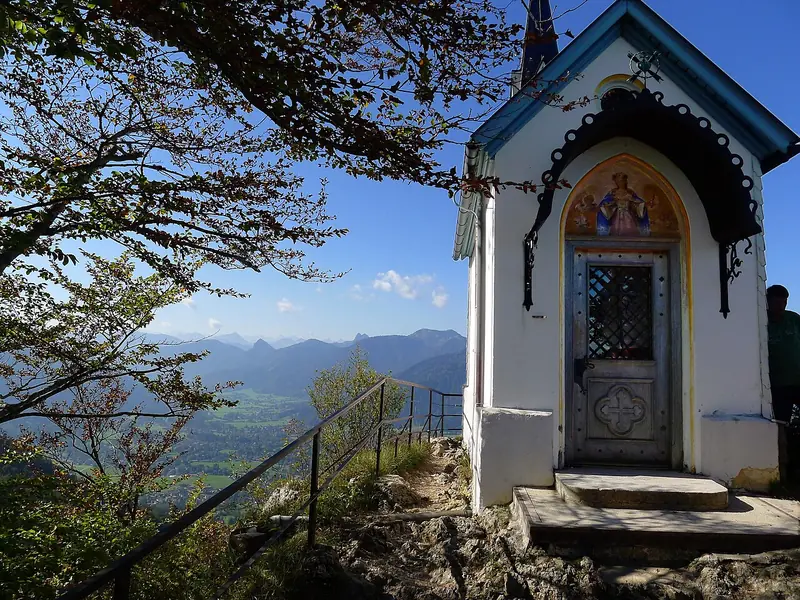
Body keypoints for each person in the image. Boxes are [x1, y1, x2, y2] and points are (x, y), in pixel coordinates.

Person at [767, 284, 800, 422]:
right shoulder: (761, 321)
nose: (781, 306)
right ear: (768, 301)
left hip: (798, 380)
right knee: (781, 423)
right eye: (777, 302)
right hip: (778, 385)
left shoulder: (793, 319)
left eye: (784, 302)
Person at [597, 172, 650, 237]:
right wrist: (611, 203)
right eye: (618, 181)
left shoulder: (630, 192)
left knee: (630, 229)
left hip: (628, 214)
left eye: (622, 181)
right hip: (617, 214)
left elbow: (637, 202)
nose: (620, 183)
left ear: (625, 181)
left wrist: (633, 201)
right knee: (616, 229)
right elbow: (606, 202)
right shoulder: (613, 192)